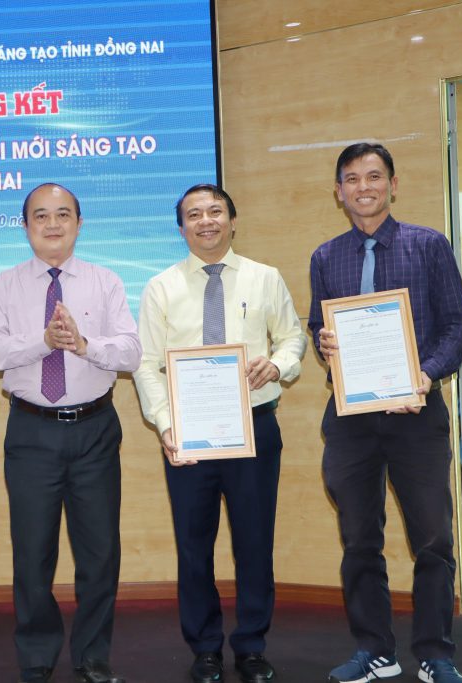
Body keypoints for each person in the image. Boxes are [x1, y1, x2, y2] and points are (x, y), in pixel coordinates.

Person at [308, 143, 462, 683]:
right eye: (352, 179)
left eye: (374, 176)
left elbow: (458, 326)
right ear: (339, 191)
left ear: (393, 185)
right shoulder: (325, 257)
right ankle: (376, 650)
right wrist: (325, 341)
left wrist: (425, 374)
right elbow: (318, 325)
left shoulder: (428, 246)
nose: (364, 187)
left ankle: (435, 654)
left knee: (433, 540)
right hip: (351, 419)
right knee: (359, 539)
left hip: (416, 412)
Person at [132, 184, 305, 683]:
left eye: (215, 211)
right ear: (181, 226)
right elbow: (145, 364)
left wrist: (277, 365)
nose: (205, 221)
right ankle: (204, 647)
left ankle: (251, 646)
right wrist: (166, 425)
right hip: (188, 433)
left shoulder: (264, 277)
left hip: (254, 427)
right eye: (194, 214)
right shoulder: (160, 287)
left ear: (232, 220)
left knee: (255, 542)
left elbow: (292, 337)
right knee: (193, 546)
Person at [0, 183, 140, 683]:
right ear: (25, 226)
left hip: (95, 429)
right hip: (32, 431)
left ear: (79, 223)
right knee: (32, 552)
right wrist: (41, 342)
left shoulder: (105, 281)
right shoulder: (5, 285)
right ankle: (36, 656)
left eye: (63, 214)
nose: (52, 224)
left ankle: (92, 656)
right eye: (41, 215)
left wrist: (85, 345)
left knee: (100, 552)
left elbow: (131, 352)